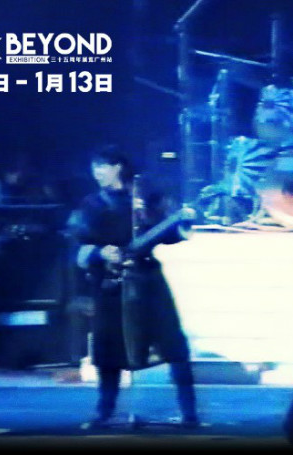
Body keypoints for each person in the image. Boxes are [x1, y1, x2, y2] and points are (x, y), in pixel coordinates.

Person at [68, 145, 199, 427]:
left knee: (172, 342)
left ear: (118, 167)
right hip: (110, 283)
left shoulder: (144, 198)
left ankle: (189, 412)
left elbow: (168, 233)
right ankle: (104, 411)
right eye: (95, 167)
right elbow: (76, 244)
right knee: (108, 348)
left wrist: (182, 224)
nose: (97, 172)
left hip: (148, 278)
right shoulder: (92, 204)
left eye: (103, 166)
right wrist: (100, 252)